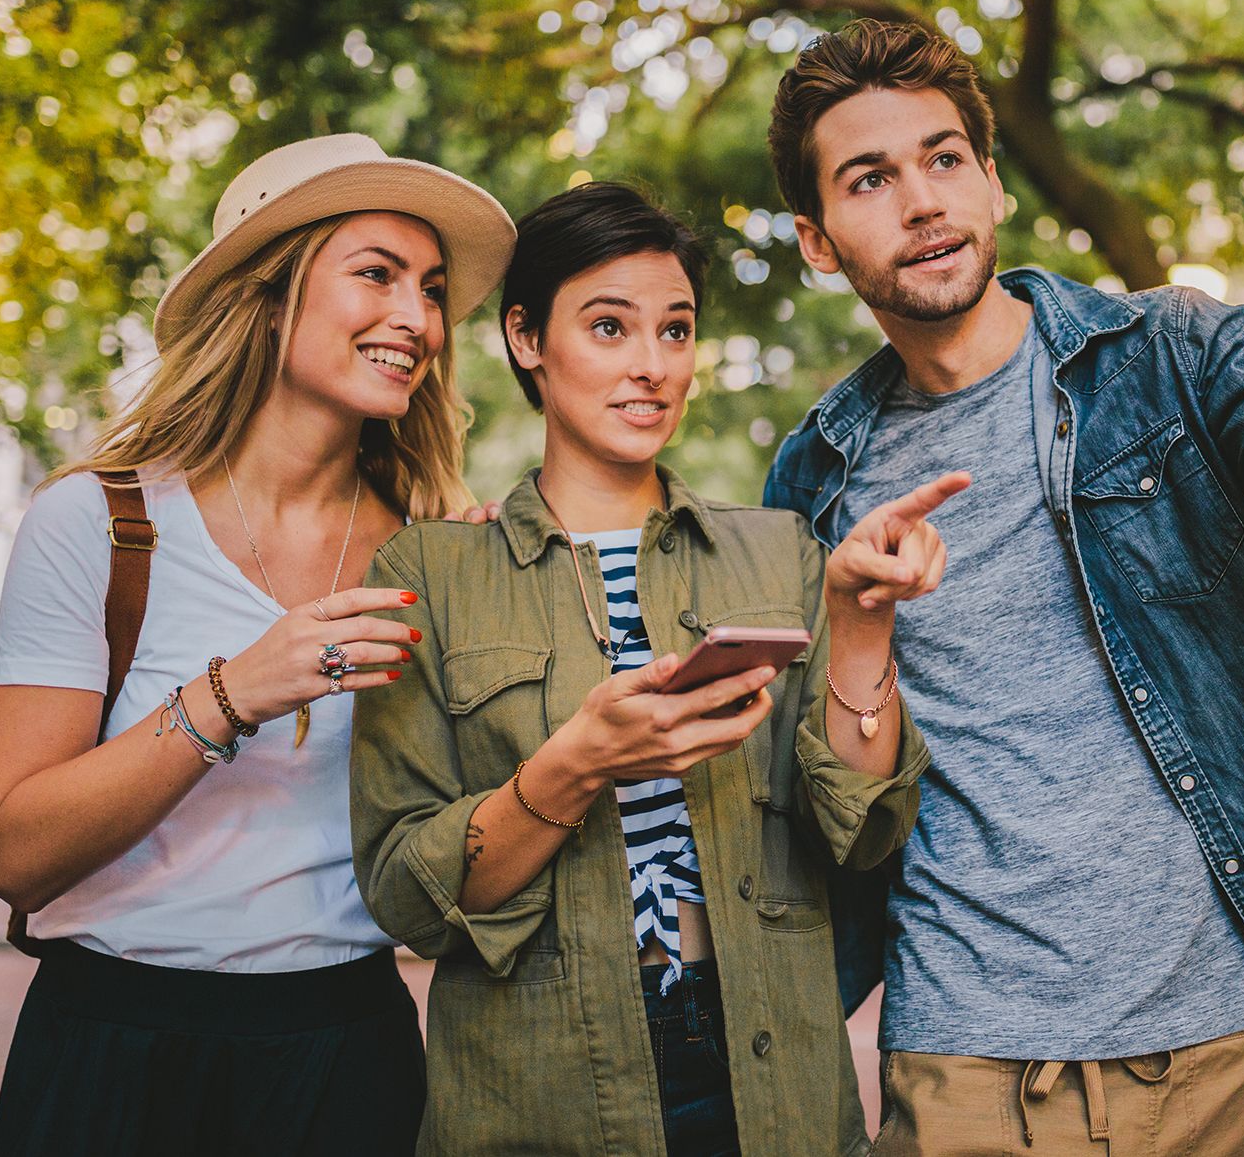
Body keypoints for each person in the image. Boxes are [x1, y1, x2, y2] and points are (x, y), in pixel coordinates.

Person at [762, 20, 1244, 1155]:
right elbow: (839, 815)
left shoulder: (1164, 352)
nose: (922, 199)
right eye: (869, 178)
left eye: (945, 158)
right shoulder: (815, 477)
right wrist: (855, 621)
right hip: (959, 1047)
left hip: (1201, 1040)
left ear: (991, 182)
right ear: (814, 237)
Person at [350, 180, 959, 1156]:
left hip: (773, 1080)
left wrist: (856, 625)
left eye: (674, 331)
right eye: (607, 327)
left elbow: (863, 831)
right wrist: (577, 760)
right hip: (538, 1093)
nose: (650, 366)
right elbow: (407, 896)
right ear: (525, 338)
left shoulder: (777, 552)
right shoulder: (431, 574)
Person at [0, 133, 516, 1157]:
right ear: (269, 298)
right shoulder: (98, 522)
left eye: (432, 289)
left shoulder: (436, 551)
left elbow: (466, 827)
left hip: (344, 1057)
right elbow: (11, 850)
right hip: (109, 1049)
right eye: (376, 275)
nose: (417, 317)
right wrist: (231, 694)